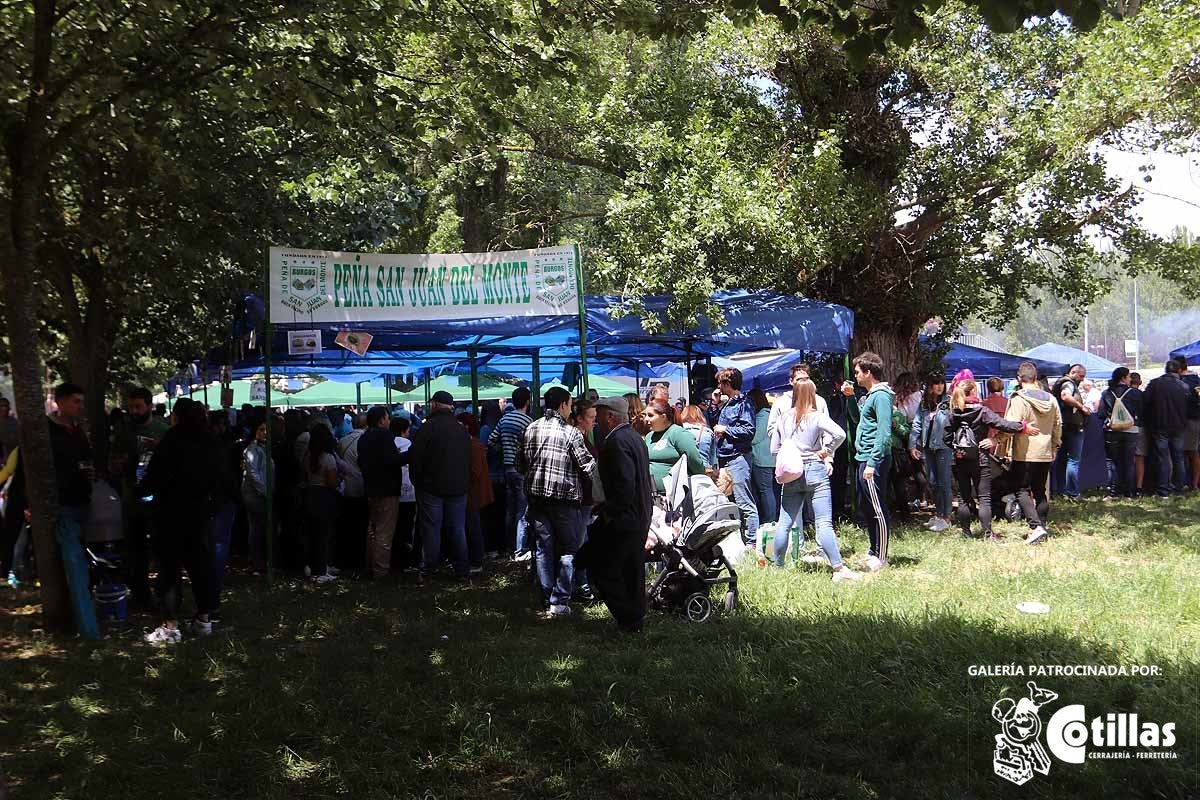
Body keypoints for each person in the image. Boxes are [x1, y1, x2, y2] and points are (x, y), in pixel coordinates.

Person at [141, 398, 220, 643]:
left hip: (170, 515)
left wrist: (137, 492)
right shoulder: (210, 443)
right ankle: (204, 619)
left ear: (176, 416)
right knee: (201, 568)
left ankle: (171, 624)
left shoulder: (170, 442)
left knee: (169, 569)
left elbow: (152, 479)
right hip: (199, 514)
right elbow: (222, 478)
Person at [518, 386, 597, 615]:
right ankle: (560, 599)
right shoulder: (570, 433)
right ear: (563, 405)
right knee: (569, 550)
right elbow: (588, 467)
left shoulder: (530, 428)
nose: (571, 408)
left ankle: (546, 596)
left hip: (536, 500)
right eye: (570, 404)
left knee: (543, 548)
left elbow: (519, 465)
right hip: (564, 502)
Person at [769, 379, 857, 582]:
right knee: (823, 522)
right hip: (815, 472)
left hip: (792, 474)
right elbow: (840, 434)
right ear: (812, 394)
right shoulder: (816, 417)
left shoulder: (783, 419)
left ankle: (778, 567)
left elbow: (774, 449)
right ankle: (838, 568)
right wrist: (826, 451)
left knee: (785, 523)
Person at [586, 396, 653, 632]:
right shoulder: (634, 437)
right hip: (639, 513)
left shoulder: (616, 441)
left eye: (600, 415)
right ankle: (635, 618)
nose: (597, 422)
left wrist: (608, 512)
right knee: (631, 570)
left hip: (624, 517)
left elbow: (625, 486)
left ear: (610, 416)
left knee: (605, 569)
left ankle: (628, 617)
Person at [944, 379, 1036, 541]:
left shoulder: (954, 412)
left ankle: (966, 532)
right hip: (980, 459)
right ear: (973, 392)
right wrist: (1023, 427)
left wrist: (958, 449)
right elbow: (1003, 424)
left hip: (960, 460)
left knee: (964, 498)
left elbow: (946, 437)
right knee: (984, 498)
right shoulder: (982, 411)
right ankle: (988, 534)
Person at [46, 383, 100, 639]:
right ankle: (89, 631)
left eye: (81, 401)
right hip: (64, 507)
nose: (80, 406)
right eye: (76, 402)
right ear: (61, 402)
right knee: (76, 568)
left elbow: (87, 461)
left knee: (85, 567)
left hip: (82, 503)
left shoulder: (78, 431)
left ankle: (86, 620)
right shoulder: (46, 431)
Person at [109, 386, 170, 609]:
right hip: (130, 498)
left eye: (138, 407)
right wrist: (119, 464)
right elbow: (113, 465)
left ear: (149, 406)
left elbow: (174, 464)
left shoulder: (162, 430)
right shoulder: (123, 430)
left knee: (160, 547)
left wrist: (159, 449)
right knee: (134, 550)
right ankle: (140, 594)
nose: (134, 411)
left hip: (157, 500)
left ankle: (164, 594)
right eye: (131, 407)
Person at [409, 391, 472, 579]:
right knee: (457, 529)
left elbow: (415, 457)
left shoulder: (427, 428)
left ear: (435, 404)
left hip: (431, 488)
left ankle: (429, 569)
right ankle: (462, 570)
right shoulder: (461, 429)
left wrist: (417, 481)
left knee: (431, 530)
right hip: (458, 487)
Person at [1002, 361, 1063, 544]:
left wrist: (999, 443)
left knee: (1021, 490)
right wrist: (1054, 445)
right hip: (1044, 452)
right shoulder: (1051, 399)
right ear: (1036, 378)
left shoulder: (1018, 399)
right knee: (1039, 491)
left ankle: (1035, 526)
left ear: (1019, 379)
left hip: (1024, 452)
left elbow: (1010, 425)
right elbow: (1057, 425)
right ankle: (1042, 527)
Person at [846, 352, 893, 572]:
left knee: (877, 508)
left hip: (873, 460)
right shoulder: (869, 395)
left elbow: (884, 433)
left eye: (857, 372)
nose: (855, 376)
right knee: (867, 507)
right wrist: (850, 398)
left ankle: (882, 556)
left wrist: (873, 462)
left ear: (868, 372)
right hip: (863, 458)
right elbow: (858, 420)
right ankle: (874, 550)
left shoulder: (881, 396)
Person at [357, 406, 408, 579]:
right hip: (387, 488)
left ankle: (370, 566)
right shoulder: (385, 436)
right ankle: (381, 570)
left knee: (372, 529)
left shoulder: (363, 438)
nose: (389, 421)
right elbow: (392, 460)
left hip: (371, 488)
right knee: (384, 531)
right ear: (381, 420)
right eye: (387, 418)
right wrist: (409, 455)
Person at [713, 367, 759, 547]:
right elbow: (714, 424)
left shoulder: (744, 403)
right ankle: (739, 542)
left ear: (728, 383)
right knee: (732, 503)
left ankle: (752, 542)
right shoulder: (727, 404)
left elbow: (749, 430)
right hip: (726, 458)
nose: (718, 386)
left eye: (720, 383)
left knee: (744, 502)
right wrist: (715, 404)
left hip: (738, 458)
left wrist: (726, 430)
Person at [487, 387, 533, 561]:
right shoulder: (528, 421)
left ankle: (507, 544)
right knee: (522, 512)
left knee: (510, 509)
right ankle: (519, 548)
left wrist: (505, 451)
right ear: (527, 402)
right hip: (521, 470)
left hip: (507, 469)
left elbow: (491, 440)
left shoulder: (505, 419)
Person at [910, 375, 953, 532]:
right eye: (936, 383)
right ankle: (939, 514)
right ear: (929, 386)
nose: (940, 386)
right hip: (928, 448)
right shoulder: (924, 404)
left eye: (942, 383)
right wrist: (912, 445)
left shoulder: (948, 403)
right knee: (933, 482)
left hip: (944, 447)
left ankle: (946, 517)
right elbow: (916, 425)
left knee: (944, 483)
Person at [1142, 358, 1191, 498]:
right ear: (1179, 370)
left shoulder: (1155, 384)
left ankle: (1163, 491)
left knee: (1163, 458)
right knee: (1179, 458)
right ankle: (1179, 488)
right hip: (1179, 426)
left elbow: (1145, 402)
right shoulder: (1184, 386)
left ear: (1165, 369)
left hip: (1159, 426)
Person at [302, 423, 342, 582]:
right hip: (324, 496)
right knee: (323, 534)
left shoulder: (307, 456)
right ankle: (321, 569)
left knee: (313, 533)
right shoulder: (328, 458)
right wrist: (339, 480)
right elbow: (332, 483)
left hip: (310, 494)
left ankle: (315, 565)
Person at [644, 397, 705, 493]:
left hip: (676, 497)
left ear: (663, 417)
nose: (646, 419)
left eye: (650, 415)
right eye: (645, 415)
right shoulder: (649, 437)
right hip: (652, 495)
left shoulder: (678, 434)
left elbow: (695, 461)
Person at [458, 412, 494, 575]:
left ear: (465, 427)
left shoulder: (473, 446)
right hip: (471, 492)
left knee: (473, 527)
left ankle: (477, 560)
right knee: (472, 525)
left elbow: (475, 472)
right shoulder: (472, 445)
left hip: (473, 493)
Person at [570, 398, 599, 602]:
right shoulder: (577, 438)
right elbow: (587, 470)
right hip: (580, 499)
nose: (594, 422)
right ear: (579, 418)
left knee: (583, 542)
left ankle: (581, 583)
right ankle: (579, 585)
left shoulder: (584, 436)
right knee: (579, 544)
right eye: (590, 417)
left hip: (586, 500)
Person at [1100, 367, 1142, 500]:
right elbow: (1142, 410)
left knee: (1112, 462)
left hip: (1112, 431)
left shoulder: (1107, 393)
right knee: (1129, 462)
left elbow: (1101, 413)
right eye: (1129, 376)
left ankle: (1113, 492)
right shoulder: (1135, 393)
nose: (1130, 379)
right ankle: (1129, 492)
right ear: (1124, 377)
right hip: (1131, 430)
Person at [1051, 364, 1089, 500]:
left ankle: (1060, 491)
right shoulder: (1068, 384)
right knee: (1073, 460)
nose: (1082, 380)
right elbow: (1065, 396)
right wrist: (1082, 407)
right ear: (1073, 373)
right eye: (1081, 376)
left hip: (1062, 426)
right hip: (1072, 427)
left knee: (1061, 460)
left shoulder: (1060, 383)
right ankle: (1072, 493)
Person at [241, 419, 272, 575]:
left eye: (266, 429)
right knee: (257, 529)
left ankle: (259, 562)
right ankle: (257, 563)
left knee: (259, 528)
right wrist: (265, 491)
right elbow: (253, 474)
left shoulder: (263, 448)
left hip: (260, 493)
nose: (264, 432)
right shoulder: (252, 449)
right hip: (255, 495)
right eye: (261, 429)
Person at [747, 389, 777, 525]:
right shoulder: (768, 414)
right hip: (768, 458)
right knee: (768, 490)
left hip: (762, 459)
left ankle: (770, 520)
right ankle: (771, 518)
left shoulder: (763, 416)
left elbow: (754, 438)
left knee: (765, 490)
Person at [677, 404, 717, 471]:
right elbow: (713, 459)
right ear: (700, 416)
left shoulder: (678, 431)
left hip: (683, 470)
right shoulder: (708, 432)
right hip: (704, 470)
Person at [1180, 363, 1200, 491]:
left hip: (1183, 420)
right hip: (1195, 419)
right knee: (1193, 452)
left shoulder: (1180, 382)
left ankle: (1185, 483)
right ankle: (1194, 484)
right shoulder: (1197, 381)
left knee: (1182, 454)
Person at [1130, 372, 1148, 494]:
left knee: (1127, 458)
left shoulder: (1123, 394)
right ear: (1140, 383)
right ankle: (1139, 486)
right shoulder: (1143, 396)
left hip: (1125, 428)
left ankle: (1127, 485)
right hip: (1141, 426)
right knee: (1140, 458)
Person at [0, 395, 18, 463]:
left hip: (15, 456)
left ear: (9, 407)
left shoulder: (15, 421)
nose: (4, 408)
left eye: (5, 406)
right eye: (1, 406)